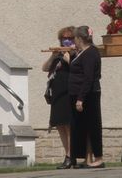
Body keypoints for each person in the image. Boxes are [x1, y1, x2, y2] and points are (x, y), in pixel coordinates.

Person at [68, 26, 104, 168]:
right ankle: (86, 158)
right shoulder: (82, 53)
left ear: (79, 39)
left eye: (74, 38)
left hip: (89, 95)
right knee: (84, 128)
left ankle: (99, 157)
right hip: (79, 94)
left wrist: (81, 98)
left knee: (93, 126)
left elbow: (88, 78)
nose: (73, 41)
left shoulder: (90, 53)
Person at [41, 26, 75, 169]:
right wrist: (53, 55)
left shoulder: (76, 54)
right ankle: (67, 154)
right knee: (60, 125)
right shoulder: (58, 54)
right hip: (57, 93)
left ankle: (70, 156)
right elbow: (45, 68)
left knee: (68, 126)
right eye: (63, 38)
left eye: (69, 38)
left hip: (69, 92)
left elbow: (78, 69)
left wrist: (68, 58)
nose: (66, 41)